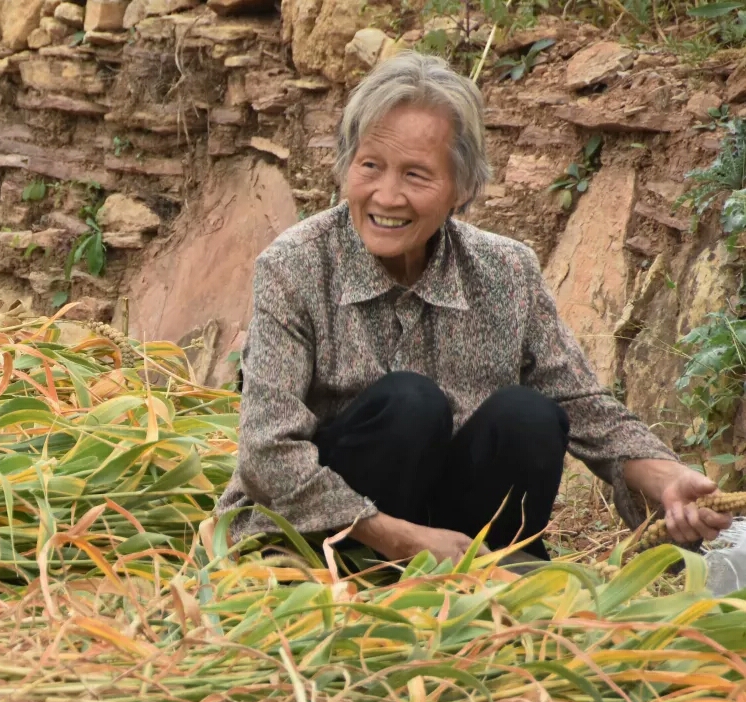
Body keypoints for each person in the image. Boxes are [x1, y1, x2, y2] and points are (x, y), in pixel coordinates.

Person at [214, 51, 728, 565]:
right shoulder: (295, 266)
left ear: (461, 187)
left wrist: (664, 477)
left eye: (416, 175)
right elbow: (267, 451)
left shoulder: (505, 271)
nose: (386, 196)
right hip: (325, 539)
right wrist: (398, 537)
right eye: (370, 166)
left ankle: (489, 569)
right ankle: (371, 571)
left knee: (528, 415)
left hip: (455, 539)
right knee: (412, 403)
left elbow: (582, 403)